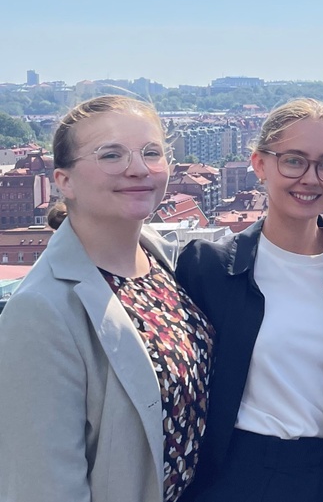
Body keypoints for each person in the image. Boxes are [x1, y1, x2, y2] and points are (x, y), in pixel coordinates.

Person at [0, 95, 214, 502]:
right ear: (64, 181)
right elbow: (41, 487)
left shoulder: (161, 260)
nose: (138, 169)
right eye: (111, 155)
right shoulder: (41, 310)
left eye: (151, 152)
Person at [175, 98, 323, 502]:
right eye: (293, 160)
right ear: (260, 165)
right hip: (235, 477)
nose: (311, 178)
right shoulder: (208, 269)